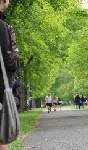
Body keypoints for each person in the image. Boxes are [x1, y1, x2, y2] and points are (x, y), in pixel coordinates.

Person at [0, 0, 18, 149]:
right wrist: (14, 65)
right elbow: (7, 58)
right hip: (1, 82)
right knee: (2, 131)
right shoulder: (2, 26)